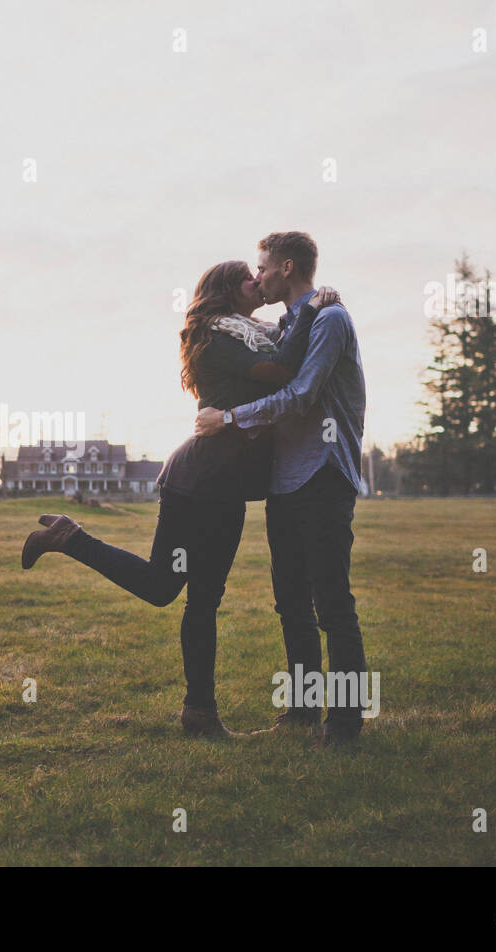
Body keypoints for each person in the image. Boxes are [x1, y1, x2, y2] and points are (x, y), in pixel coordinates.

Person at [20, 259, 339, 737]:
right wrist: (314, 308)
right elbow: (284, 369)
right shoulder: (217, 336)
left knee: (204, 601)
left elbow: (282, 353)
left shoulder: (249, 331)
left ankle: (200, 714)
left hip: (226, 488)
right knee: (163, 587)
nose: (259, 281)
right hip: (198, 483)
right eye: (249, 278)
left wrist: (306, 310)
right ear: (229, 291)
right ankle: (69, 538)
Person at [194, 232, 368, 747]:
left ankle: (345, 722)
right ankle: (302, 712)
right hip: (285, 479)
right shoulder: (294, 322)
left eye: (263, 267)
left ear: (286, 268)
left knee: (333, 604)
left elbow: (302, 393)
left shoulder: (331, 320)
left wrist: (228, 417)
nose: (258, 276)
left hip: (324, 473)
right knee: (290, 602)